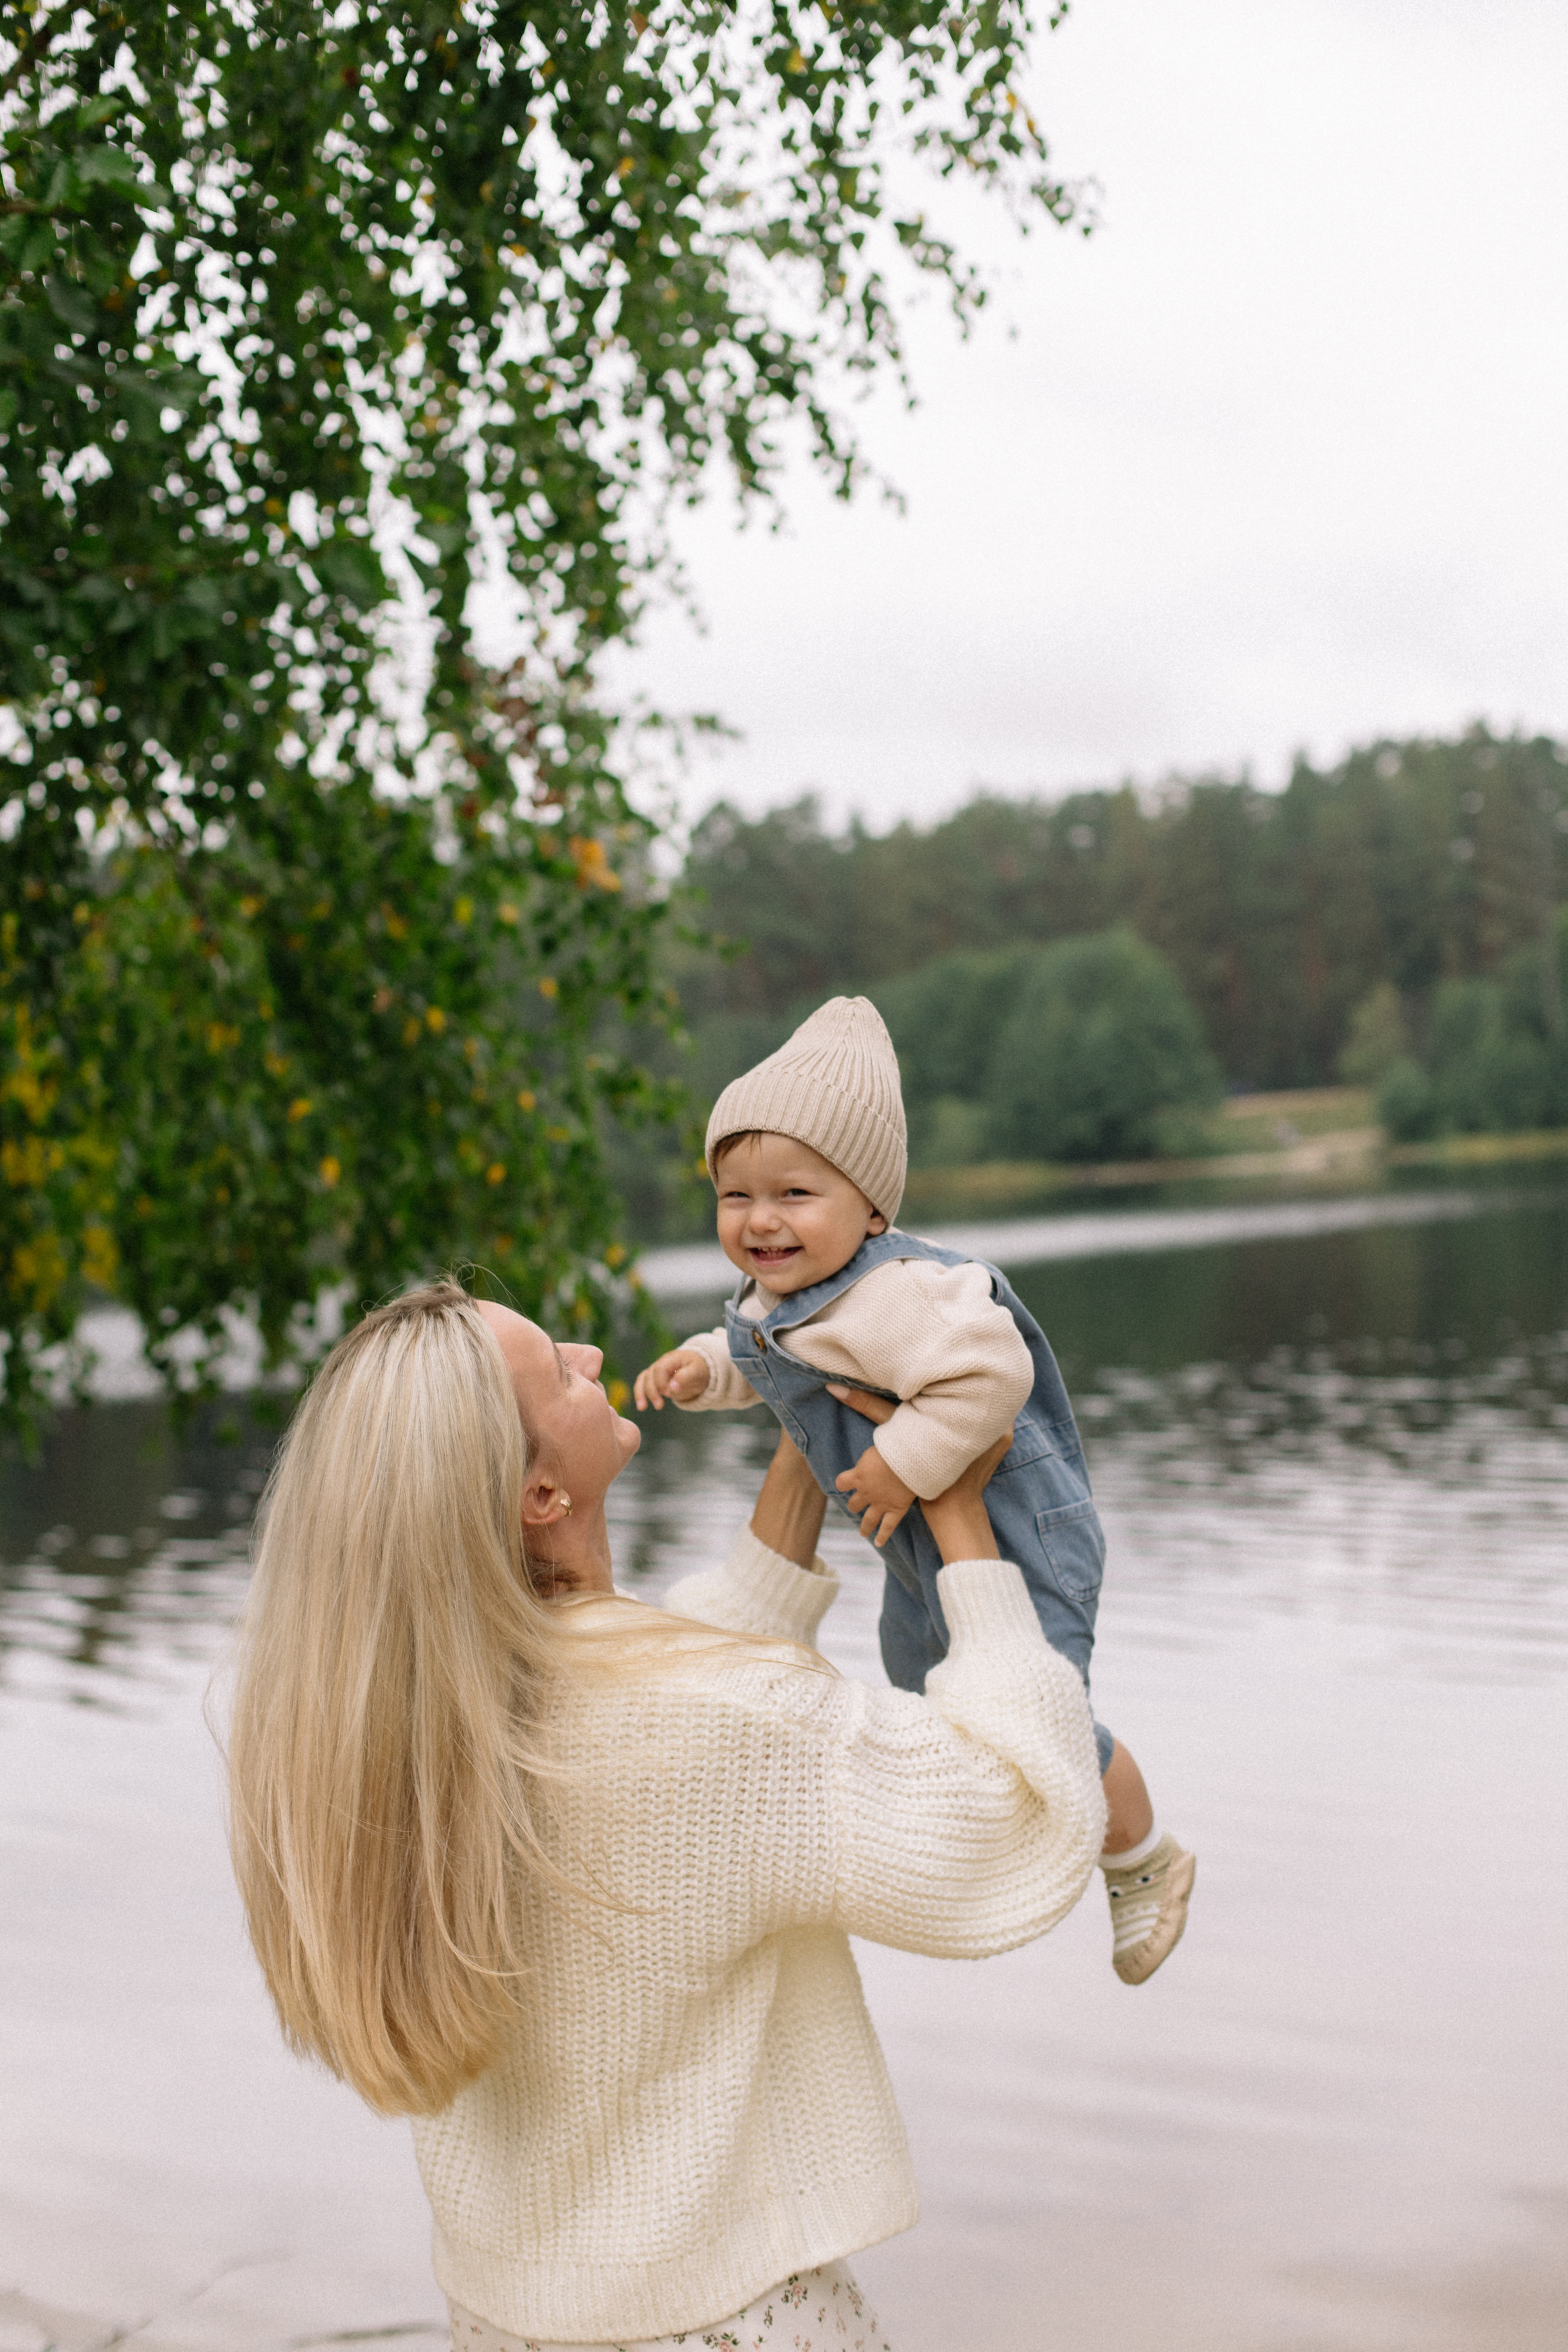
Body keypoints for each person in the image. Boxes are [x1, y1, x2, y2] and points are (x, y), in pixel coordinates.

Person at [226, 1281, 1107, 2352]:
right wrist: (961, 1520)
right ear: (539, 1495)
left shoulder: (404, 1731)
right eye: (556, 1368)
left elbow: (680, 1707)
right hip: (732, 2323)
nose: (589, 1349)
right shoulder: (706, 1726)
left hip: (504, 2320)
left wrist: (808, 1432)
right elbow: (1013, 1823)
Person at [633, 997, 1195, 1986]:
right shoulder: (787, 1293)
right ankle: (1004, 1839)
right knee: (922, 1678)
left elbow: (990, 1375)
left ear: (873, 1207)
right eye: (736, 1197)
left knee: (1052, 1711)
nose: (762, 1220)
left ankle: (1143, 1860)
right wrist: (700, 1371)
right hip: (918, 1549)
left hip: (1021, 1530)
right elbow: (757, 1350)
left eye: (795, 1194)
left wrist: (905, 1465)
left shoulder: (902, 1292)